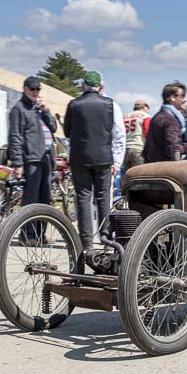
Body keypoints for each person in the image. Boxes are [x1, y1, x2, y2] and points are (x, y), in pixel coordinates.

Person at [63, 71, 123, 250]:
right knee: (103, 198)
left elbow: (67, 132)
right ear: (100, 87)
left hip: (80, 157)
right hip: (104, 157)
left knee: (83, 198)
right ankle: (105, 240)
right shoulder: (110, 105)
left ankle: (86, 243)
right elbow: (117, 133)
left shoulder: (74, 105)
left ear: (83, 86)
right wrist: (117, 161)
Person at [8, 76, 56, 212]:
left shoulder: (39, 108)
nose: (35, 92)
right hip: (32, 159)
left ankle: (40, 232)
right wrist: (18, 163)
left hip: (46, 157)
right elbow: (15, 136)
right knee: (31, 198)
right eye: (32, 89)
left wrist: (46, 111)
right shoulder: (19, 109)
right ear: (24, 89)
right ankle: (28, 233)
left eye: (38, 89)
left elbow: (53, 128)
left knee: (45, 198)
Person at [143, 81, 187, 163]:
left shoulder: (157, 117)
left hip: (152, 164)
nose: (185, 100)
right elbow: (174, 150)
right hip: (164, 168)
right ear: (172, 98)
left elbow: (147, 148)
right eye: (182, 96)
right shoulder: (170, 120)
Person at [123, 100, 151, 171]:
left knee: (127, 176)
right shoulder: (145, 116)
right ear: (144, 107)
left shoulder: (125, 116)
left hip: (125, 149)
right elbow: (147, 132)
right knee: (139, 176)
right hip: (138, 148)